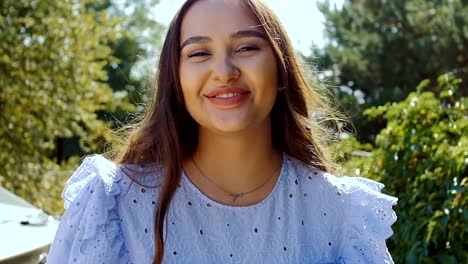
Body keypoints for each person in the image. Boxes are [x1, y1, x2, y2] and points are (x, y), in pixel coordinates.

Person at [47, 0, 398, 263]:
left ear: (280, 68)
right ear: (176, 79)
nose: (224, 70)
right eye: (199, 53)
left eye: (246, 47)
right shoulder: (112, 205)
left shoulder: (344, 215)